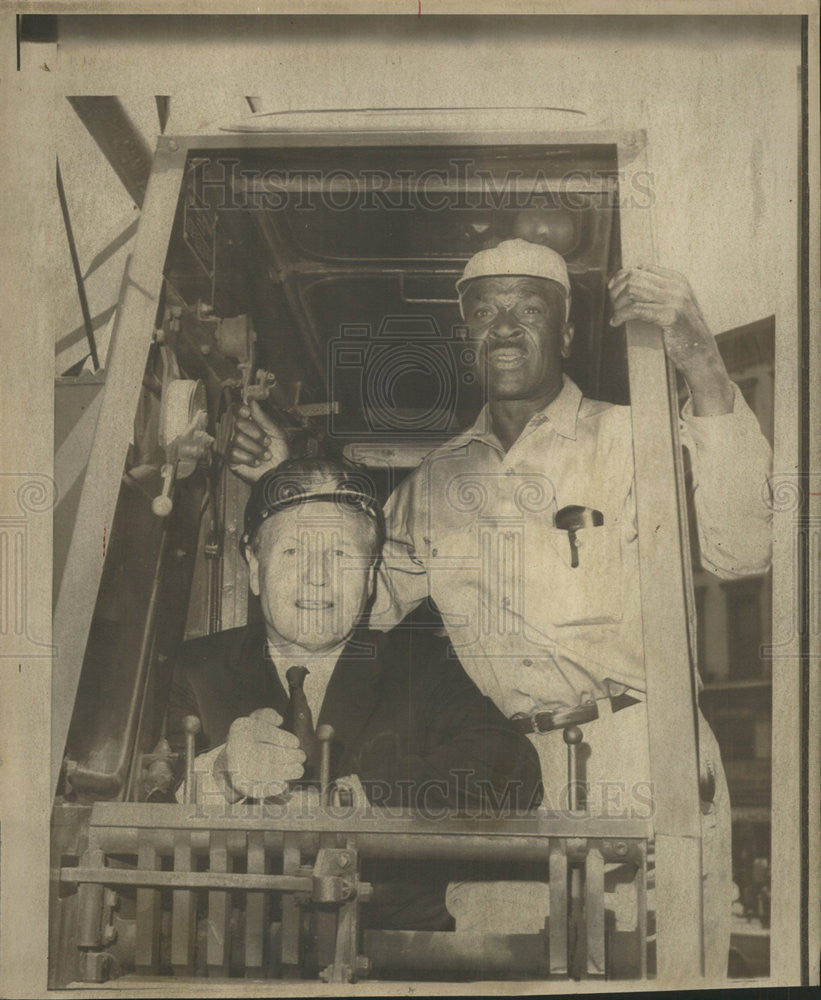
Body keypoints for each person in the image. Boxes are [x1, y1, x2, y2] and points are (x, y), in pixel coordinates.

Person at [227, 240, 772, 975]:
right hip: (502, 775)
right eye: (484, 311)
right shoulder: (435, 480)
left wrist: (702, 364)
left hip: (639, 746)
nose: (506, 326)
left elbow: (744, 550)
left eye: (529, 308)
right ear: (465, 340)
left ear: (569, 333)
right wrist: (290, 482)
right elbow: (344, 603)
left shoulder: (632, 437)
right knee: (517, 968)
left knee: (656, 967)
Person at [167, 456, 542, 932]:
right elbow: (135, 799)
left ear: (370, 577)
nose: (317, 576)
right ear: (253, 566)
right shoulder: (195, 669)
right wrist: (220, 775)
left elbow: (514, 767)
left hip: (387, 949)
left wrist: (362, 796)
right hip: (232, 948)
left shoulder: (418, 665)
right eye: (292, 553)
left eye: (340, 554)